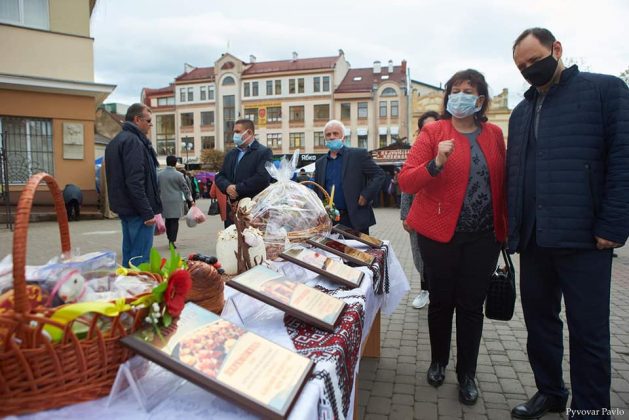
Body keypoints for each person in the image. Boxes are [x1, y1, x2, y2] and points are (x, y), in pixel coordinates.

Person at [507, 28, 629, 420]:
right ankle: (550, 392)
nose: (530, 70)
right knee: (540, 325)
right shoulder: (521, 111)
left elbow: (623, 161)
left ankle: (591, 410)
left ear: (556, 49)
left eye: (534, 60)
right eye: (522, 67)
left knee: (588, 332)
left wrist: (612, 225)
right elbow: (516, 174)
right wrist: (513, 231)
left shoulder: (605, 91)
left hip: (585, 238)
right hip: (535, 238)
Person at [398, 69, 507, 405]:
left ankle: (467, 373)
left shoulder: (493, 134)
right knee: (442, 302)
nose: (460, 95)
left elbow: (503, 183)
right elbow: (406, 182)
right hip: (439, 234)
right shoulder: (433, 131)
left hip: (483, 237)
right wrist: (436, 163)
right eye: (455, 90)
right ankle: (438, 361)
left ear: (481, 99)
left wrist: (506, 227)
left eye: (468, 90)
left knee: (472, 306)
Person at [105, 103, 162, 267]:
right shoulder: (134, 142)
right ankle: (138, 289)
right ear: (137, 119)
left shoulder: (116, 141)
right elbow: (134, 181)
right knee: (140, 259)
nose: (150, 125)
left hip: (127, 209)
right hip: (138, 211)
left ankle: (128, 287)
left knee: (129, 254)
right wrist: (147, 212)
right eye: (149, 121)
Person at [314, 120, 385, 234]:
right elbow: (317, 189)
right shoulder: (320, 163)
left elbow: (379, 175)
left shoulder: (358, 155)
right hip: (330, 221)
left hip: (354, 219)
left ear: (343, 137)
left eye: (335, 133)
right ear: (325, 139)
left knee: (356, 251)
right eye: (328, 134)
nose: (332, 137)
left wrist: (366, 195)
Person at [402, 111, 440, 310]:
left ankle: (441, 293)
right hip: (418, 216)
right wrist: (405, 215)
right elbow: (406, 187)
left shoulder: (449, 152)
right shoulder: (416, 153)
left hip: (443, 216)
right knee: (421, 257)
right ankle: (425, 290)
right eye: (426, 129)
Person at [214, 119, 273, 227]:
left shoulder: (263, 152)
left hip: (252, 210)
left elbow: (262, 178)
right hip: (232, 210)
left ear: (249, 132)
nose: (234, 135)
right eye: (234, 132)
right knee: (231, 240)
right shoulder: (231, 154)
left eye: (237, 132)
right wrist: (227, 187)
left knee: (251, 241)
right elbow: (220, 176)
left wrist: (237, 189)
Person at [158, 155, 193, 249]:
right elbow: (185, 188)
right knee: (174, 221)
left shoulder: (159, 174)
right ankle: (172, 241)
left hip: (164, 200)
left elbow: (157, 189)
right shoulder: (179, 175)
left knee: (168, 220)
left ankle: (169, 237)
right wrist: (190, 200)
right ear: (175, 163)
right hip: (176, 201)